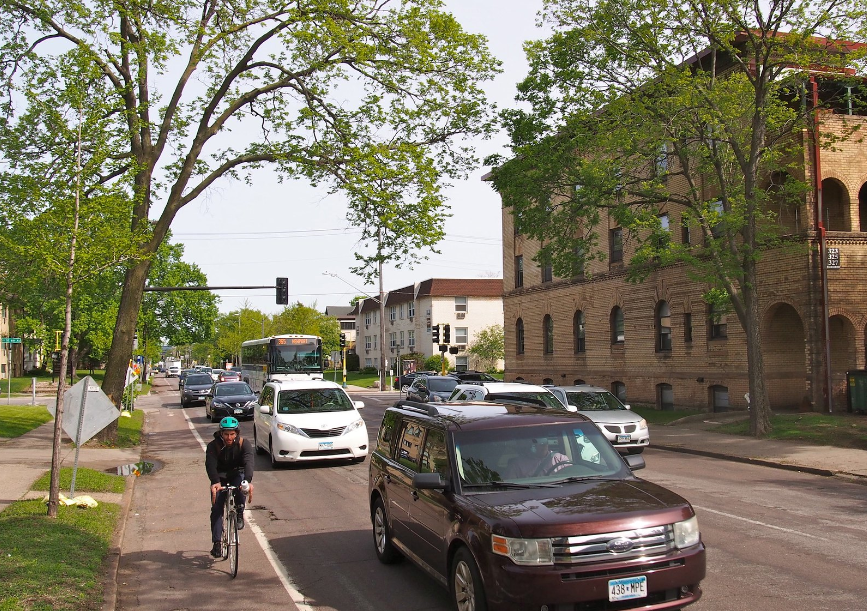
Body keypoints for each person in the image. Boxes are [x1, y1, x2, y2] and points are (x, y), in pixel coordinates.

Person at [205, 416, 254, 558]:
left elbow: (249, 462)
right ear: (221, 433)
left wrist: (248, 481)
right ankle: (217, 544)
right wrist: (215, 481)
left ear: (237, 433)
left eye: (232, 434)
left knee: (240, 485)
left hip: (236, 473)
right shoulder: (213, 446)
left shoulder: (244, 444)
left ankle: (239, 512)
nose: (229, 437)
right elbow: (210, 465)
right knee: (216, 509)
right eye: (226, 434)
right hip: (219, 477)